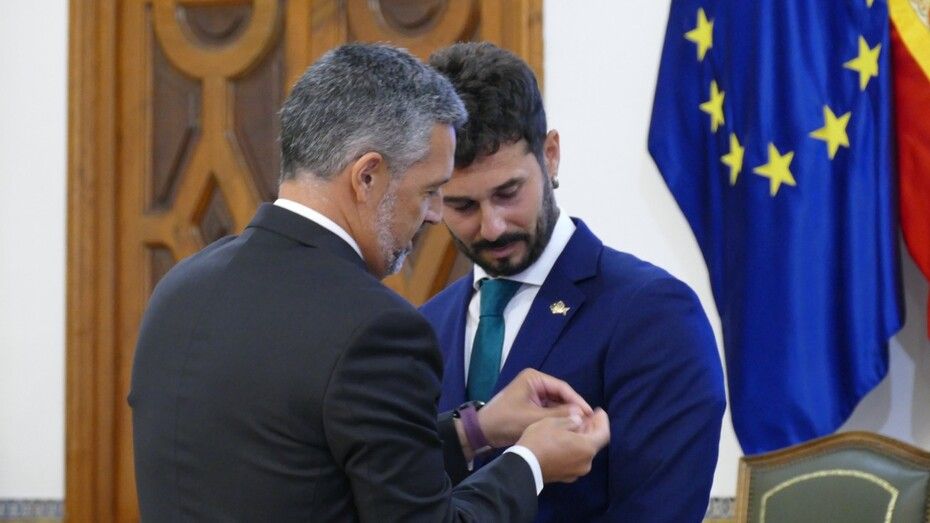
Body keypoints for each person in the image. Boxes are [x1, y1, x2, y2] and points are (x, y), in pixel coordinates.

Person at [129, 43, 610, 522]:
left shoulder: (181, 287)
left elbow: (308, 461)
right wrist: (529, 463)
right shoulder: (376, 329)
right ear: (367, 177)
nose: (434, 215)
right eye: (430, 191)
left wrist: (474, 430)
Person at [420, 42, 727, 522]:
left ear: (550, 155)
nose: (493, 226)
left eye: (508, 192)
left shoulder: (654, 314)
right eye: (463, 205)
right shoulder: (423, 328)